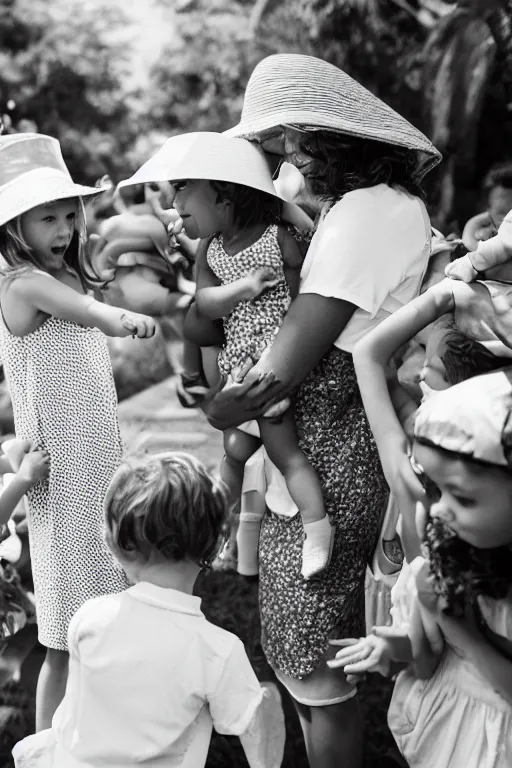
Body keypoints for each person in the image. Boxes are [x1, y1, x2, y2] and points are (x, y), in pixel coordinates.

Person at [198, 53, 441, 767]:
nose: (289, 160)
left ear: (332, 139)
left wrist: (222, 412)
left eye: (295, 144)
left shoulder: (370, 214)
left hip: (333, 445)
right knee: (307, 651)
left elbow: (279, 371)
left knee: (316, 660)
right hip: (329, 437)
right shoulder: (364, 208)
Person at [119, 131, 331, 580]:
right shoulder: (212, 250)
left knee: (285, 451)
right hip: (237, 365)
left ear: (225, 194)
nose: (174, 201)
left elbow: (302, 304)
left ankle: (317, 529)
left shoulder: (278, 238)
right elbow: (206, 304)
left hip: (272, 366)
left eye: (181, 188)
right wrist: (243, 287)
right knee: (233, 452)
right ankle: (215, 535)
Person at [0, 133, 156, 730]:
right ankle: (47, 746)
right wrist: (126, 318)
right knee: (67, 630)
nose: (64, 227)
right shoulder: (22, 285)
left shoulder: (61, 274)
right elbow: (95, 314)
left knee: (100, 609)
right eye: (48, 218)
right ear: (15, 224)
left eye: (70, 214)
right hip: (62, 470)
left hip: (95, 458)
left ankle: (98, 730)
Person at [12, 451, 285, 768]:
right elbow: (255, 730)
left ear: (115, 547)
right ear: (213, 548)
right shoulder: (218, 651)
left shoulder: (90, 617)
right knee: (261, 700)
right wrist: (267, 705)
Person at [329, 369, 512, 767]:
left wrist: (470, 638)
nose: (439, 509)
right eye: (435, 489)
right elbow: (426, 657)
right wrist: (388, 647)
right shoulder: (442, 570)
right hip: (455, 727)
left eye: (461, 497)